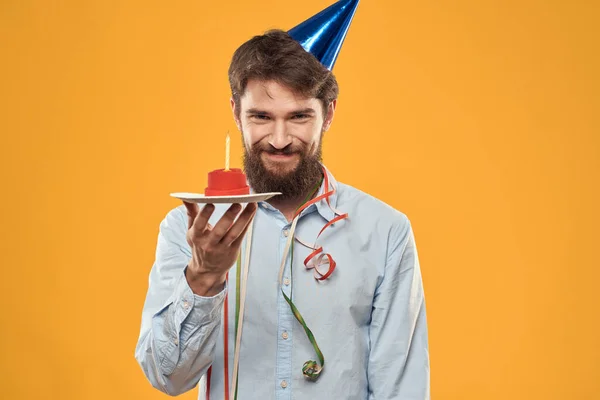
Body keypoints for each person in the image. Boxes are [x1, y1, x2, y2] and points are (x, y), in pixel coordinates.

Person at [135, 3, 430, 399]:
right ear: (236, 113)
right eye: (260, 116)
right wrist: (204, 277)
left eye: (298, 117)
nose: (278, 139)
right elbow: (166, 377)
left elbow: (402, 389)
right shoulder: (190, 230)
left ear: (328, 115)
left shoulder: (385, 231)